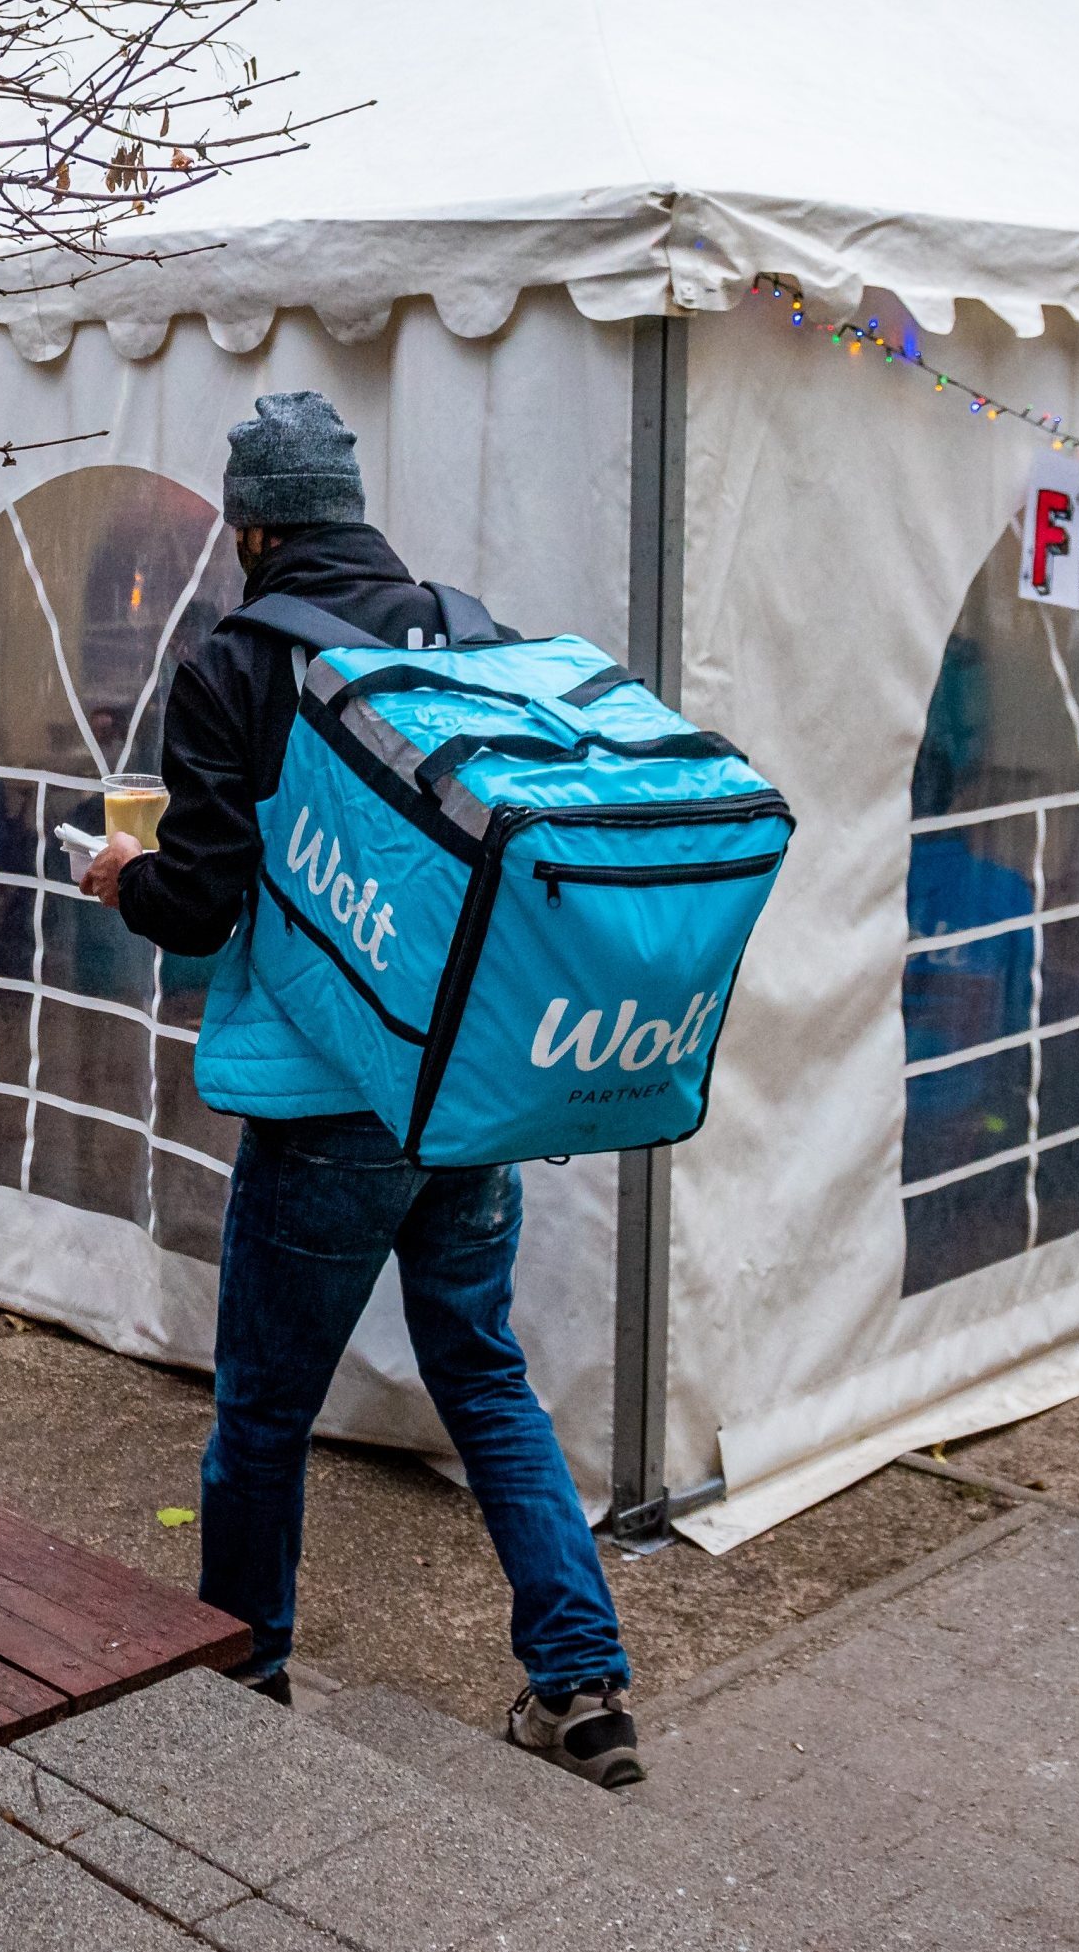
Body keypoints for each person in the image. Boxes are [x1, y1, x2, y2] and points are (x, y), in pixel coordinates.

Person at [78, 391, 644, 1790]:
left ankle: (245, 1664)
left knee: (262, 1406)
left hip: (331, 1096)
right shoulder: (465, 631)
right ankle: (580, 1681)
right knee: (485, 1370)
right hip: (462, 1084)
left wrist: (118, 877)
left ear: (254, 523)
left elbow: (200, 906)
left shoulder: (236, 663)